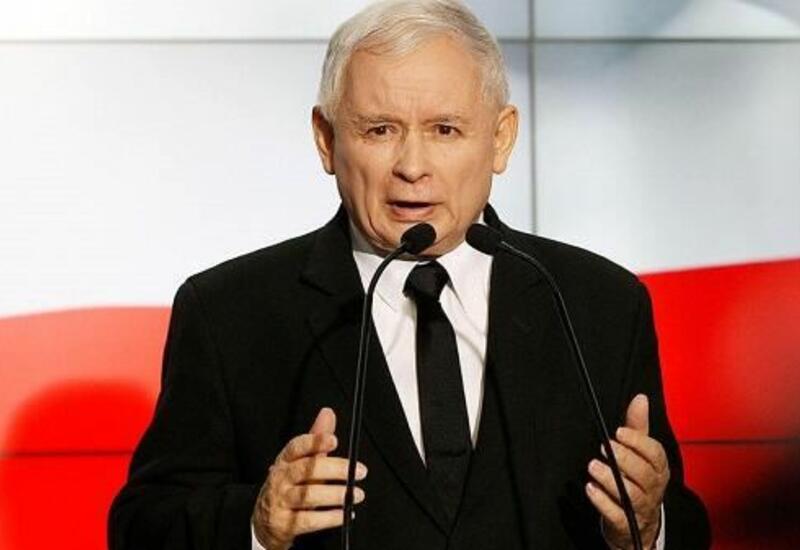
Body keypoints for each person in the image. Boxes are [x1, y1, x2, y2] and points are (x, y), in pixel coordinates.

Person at [109, 1, 710, 548]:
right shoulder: (230, 312)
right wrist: (257, 523)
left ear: (501, 139)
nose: (412, 167)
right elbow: (143, 526)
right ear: (326, 140)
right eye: (380, 130)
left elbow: (682, 525)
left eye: (445, 129)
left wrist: (646, 527)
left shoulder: (597, 303)